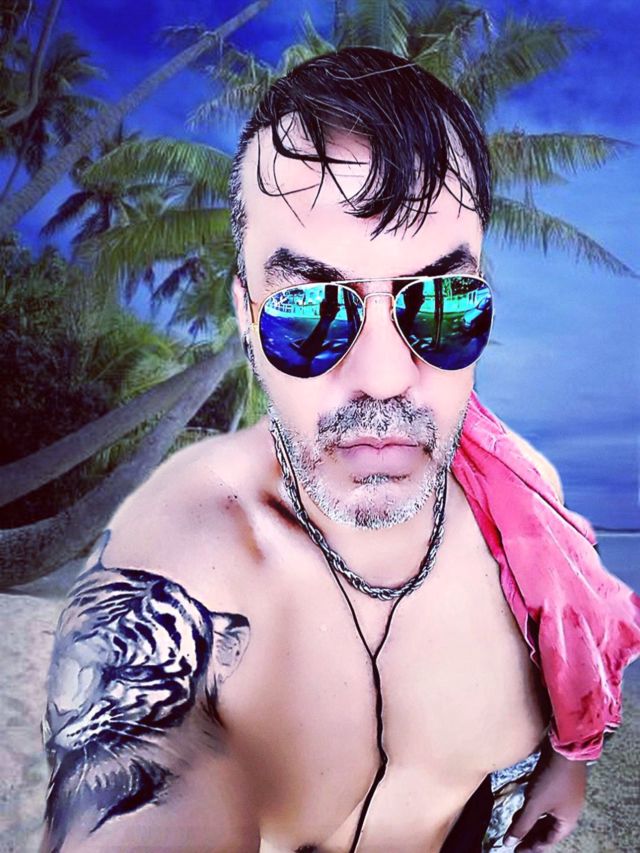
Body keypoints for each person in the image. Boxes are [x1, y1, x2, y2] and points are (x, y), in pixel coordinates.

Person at [40, 48, 640, 853]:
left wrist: (569, 759)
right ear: (247, 314)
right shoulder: (187, 567)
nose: (386, 377)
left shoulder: (520, 495)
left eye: (443, 301)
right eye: (310, 309)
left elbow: (582, 633)